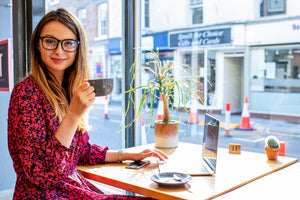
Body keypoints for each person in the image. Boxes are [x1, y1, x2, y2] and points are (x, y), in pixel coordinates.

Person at [7, 8, 167, 200]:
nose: (59, 50)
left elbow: (80, 152)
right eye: (50, 41)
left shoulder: (67, 91)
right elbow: (41, 175)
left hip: (70, 189)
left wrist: (129, 155)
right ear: (38, 45)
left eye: (68, 43)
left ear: (78, 49)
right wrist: (73, 114)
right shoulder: (26, 93)